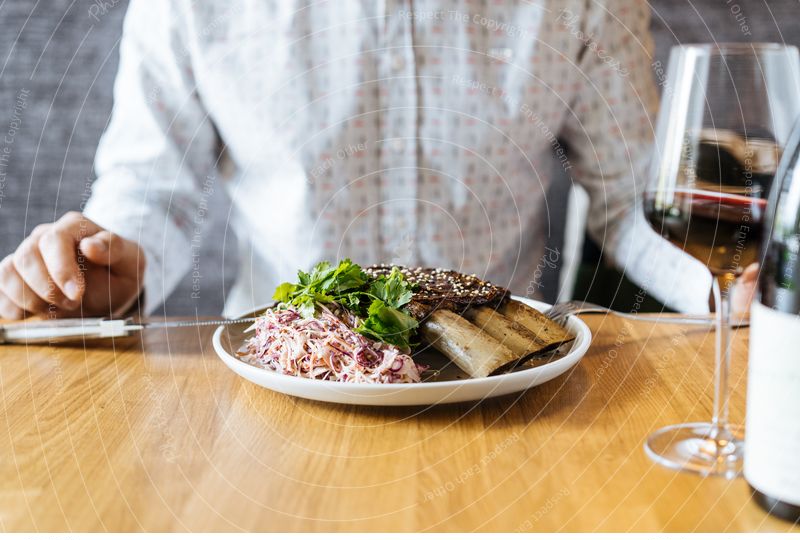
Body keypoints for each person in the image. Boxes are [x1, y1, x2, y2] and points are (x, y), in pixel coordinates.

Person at [0, 0, 733, 320]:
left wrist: (724, 284)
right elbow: (152, 194)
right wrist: (105, 269)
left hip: (502, 381)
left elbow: (636, 197)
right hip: (280, 373)